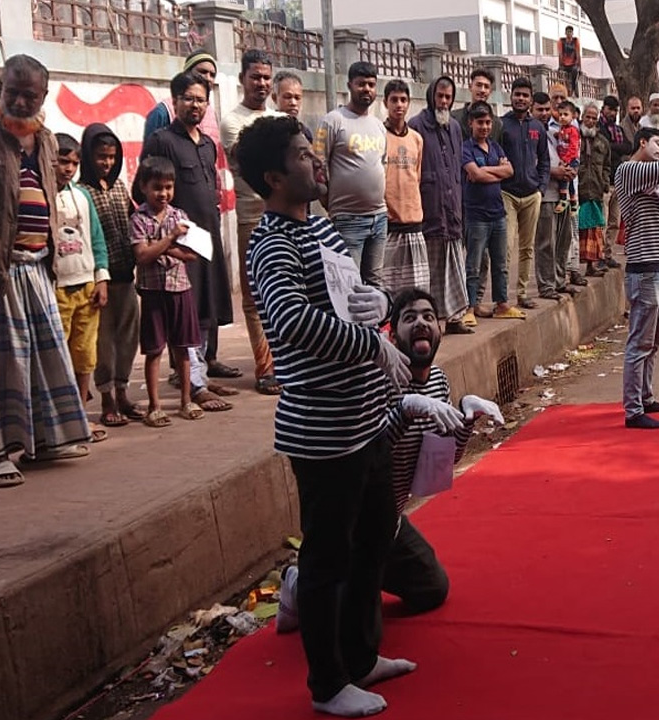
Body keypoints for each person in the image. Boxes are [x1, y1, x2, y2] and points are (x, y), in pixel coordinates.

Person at [236, 114, 416, 718]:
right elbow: (291, 322)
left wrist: (382, 303)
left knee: (372, 543)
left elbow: (359, 291)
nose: (315, 163)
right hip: (323, 431)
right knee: (326, 558)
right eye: (300, 156)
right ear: (272, 176)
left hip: (365, 419)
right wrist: (371, 344)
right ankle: (327, 682)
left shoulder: (325, 230)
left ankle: (361, 655)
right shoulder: (272, 244)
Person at [276, 287, 505, 630]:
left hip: (392, 518)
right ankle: (299, 580)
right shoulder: (377, 380)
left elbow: (435, 469)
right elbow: (370, 458)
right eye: (409, 318)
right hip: (357, 519)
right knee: (346, 620)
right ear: (393, 335)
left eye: (429, 317)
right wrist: (405, 411)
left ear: (441, 328)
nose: (421, 324)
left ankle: (357, 581)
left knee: (432, 589)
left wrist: (465, 422)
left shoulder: (439, 382)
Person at [0, 55, 93, 487]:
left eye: (31, 95)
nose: (22, 101)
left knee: (44, 357)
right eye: (14, 92)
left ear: (43, 96)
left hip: (38, 265)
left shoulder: (45, 140)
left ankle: (42, 441)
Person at [140, 70, 236, 412]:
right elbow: (151, 189)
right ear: (175, 100)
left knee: (208, 305)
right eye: (189, 98)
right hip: (180, 235)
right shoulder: (162, 141)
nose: (195, 105)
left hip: (207, 232)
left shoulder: (208, 144)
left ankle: (202, 373)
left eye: (201, 100)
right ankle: (193, 383)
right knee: (187, 310)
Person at [615, 127, 659, 430]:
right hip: (643, 266)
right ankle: (633, 410)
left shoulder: (657, 177)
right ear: (641, 142)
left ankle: (646, 396)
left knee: (654, 340)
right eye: (657, 143)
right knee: (639, 341)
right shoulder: (628, 170)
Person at [220, 49, 282, 395]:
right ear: (243, 79)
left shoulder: (274, 118)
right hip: (251, 216)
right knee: (254, 296)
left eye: (266, 77)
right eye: (255, 76)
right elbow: (247, 168)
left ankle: (285, 361)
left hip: (281, 215)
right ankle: (265, 367)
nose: (261, 83)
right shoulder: (233, 121)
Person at [130, 156, 202, 427]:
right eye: (157, 187)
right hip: (152, 290)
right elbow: (142, 256)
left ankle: (186, 399)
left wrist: (159, 246)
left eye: (168, 187)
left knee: (183, 347)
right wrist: (170, 240)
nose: (163, 193)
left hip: (180, 288)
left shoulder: (179, 216)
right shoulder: (138, 219)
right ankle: (155, 406)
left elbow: (191, 254)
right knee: (154, 349)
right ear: (144, 187)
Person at [80, 123, 144, 427]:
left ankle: (122, 392)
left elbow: (132, 219)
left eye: (111, 156)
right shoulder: (82, 192)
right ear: (87, 156)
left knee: (128, 339)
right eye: (100, 156)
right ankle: (105, 399)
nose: (106, 162)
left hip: (126, 277)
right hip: (99, 281)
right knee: (103, 343)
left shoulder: (119, 186)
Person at [51, 133, 111, 443]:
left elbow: (96, 239)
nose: (68, 168)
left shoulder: (82, 196)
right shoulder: (43, 195)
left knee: (85, 355)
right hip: (56, 287)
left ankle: (81, 417)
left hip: (86, 284)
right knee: (57, 355)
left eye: (73, 163)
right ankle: (61, 422)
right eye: (62, 161)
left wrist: (101, 277)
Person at [314, 61, 388, 285]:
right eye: (361, 84)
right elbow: (318, 166)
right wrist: (330, 203)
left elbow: (382, 166)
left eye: (371, 85)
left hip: (379, 218)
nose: (366, 89)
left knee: (375, 281)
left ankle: (373, 322)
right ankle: (350, 323)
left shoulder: (378, 126)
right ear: (349, 85)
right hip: (348, 219)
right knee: (350, 282)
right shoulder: (333, 121)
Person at [409, 75, 469, 335]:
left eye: (448, 97)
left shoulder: (454, 127)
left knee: (455, 267)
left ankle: (455, 318)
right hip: (429, 208)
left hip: (452, 206)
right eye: (440, 96)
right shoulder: (416, 126)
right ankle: (431, 323)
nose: (444, 102)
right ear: (431, 96)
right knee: (430, 272)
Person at [461, 101, 523, 321]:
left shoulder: (495, 147)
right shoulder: (466, 148)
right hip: (476, 215)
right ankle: (470, 308)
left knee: (500, 263)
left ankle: (502, 304)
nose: (485, 127)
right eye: (480, 122)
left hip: (498, 214)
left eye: (488, 122)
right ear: (471, 123)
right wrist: (496, 172)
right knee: (474, 265)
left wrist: (485, 170)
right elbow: (474, 176)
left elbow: (510, 171)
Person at [500, 78, 550, 310]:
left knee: (527, 246)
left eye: (525, 95)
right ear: (511, 97)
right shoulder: (501, 126)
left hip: (532, 194)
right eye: (517, 94)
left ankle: (522, 293)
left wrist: (540, 188)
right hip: (507, 193)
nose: (520, 98)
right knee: (506, 245)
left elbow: (545, 162)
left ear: (530, 99)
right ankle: (503, 298)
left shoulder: (537, 128)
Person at [381, 79, 430, 305]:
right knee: (388, 288)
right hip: (388, 225)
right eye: (394, 100)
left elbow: (416, 176)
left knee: (417, 290)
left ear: (409, 103)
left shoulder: (416, 139)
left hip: (413, 223)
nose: (398, 105)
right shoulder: (378, 135)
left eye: (403, 100)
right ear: (385, 102)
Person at [535, 96, 584, 300]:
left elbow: (572, 152)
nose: (545, 113)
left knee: (563, 239)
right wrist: (555, 172)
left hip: (565, 188)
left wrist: (572, 169)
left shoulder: (559, 131)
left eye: (548, 109)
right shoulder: (532, 132)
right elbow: (532, 163)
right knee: (547, 241)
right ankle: (546, 286)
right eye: (540, 110)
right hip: (546, 192)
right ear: (532, 110)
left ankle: (559, 280)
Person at [577, 103, 612, 277]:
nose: (590, 121)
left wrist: (605, 182)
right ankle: (574, 270)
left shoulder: (602, 141)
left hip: (596, 191)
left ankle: (593, 265)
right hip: (578, 191)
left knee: (595, 230)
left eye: (593, 118)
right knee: (578, 230)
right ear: (582, 117)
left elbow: (607, 165)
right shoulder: (574, 138)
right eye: (587, 117)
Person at [597, 95, 631, 269]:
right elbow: (605, 147)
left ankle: (608, 253)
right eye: (610, 109)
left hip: (618, 181)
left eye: (615, 110)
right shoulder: (598, 128)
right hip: (604, 182)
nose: (613, 113)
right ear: (603, 109)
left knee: (614, 221)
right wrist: (615, 148)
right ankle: (599, 255)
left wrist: (613, 147)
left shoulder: (618, 129)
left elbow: (628, 147)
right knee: (602, 222)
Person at [453, 68, 502, 142]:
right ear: (470, 87)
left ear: (490, 91)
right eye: (479, 85)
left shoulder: (497, 124)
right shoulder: (454, 119)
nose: (482, 90)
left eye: (486, 87)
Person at [553, 101, 581, 215]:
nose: (562, 117)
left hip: (571, 159)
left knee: (565, 178)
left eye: (565, 114)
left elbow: (573, 148)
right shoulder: (562, 129)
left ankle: (564, 199)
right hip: (563, 158)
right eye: (560, 115)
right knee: (569, 182)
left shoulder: (573, 131)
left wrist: (566, 160)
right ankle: (574, 203)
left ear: (573, 115)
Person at [558, 26, 581, 96]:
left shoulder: (575, 41)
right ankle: (563, 91)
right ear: (565, 33)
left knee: (574, 72)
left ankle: (573, 90)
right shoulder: (561, 41)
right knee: (561, 76)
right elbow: (560, 53)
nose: (569, 33)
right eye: (568, 31)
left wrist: (579, 66)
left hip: (573, 64)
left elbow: (578, 53)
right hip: (565, 64)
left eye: (570, 32)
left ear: (572, 33)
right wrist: (560, 65)